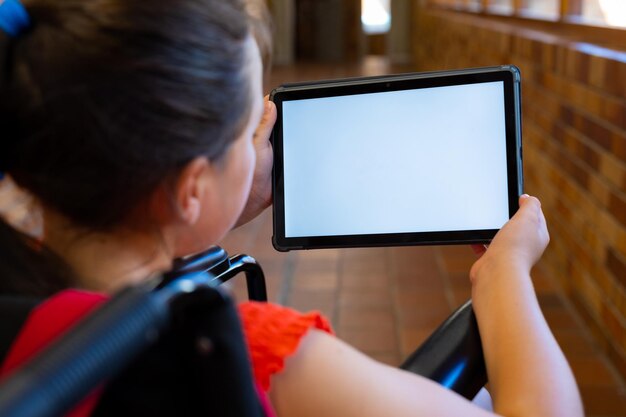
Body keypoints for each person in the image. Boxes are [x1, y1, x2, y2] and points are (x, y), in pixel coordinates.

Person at [0, 0, 584, 416]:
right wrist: (504, 272)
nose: (263, 142)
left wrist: (215, 206)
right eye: (246, 129)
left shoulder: (22, 298)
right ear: (189, 187)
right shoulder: (234, 348)